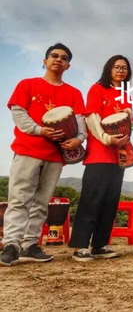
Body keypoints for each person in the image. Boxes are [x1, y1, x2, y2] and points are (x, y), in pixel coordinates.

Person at [1, 43, 86, 266]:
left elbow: (80, 121)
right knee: (19, 199)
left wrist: (79, 138)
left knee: (41, 202)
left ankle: (30, 244)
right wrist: (39, 130)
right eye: (54, 56)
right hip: (28, 149)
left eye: (63, 58)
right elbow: (19, 114)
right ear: (45, 61)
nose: (58, 59)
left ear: (68, 65)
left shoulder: (73, 93)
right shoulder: (27, 84)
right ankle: (11, 244)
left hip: (55, 155)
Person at [69, 55, 133, 262]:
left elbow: (126, 122)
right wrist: (106, 138)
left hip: (119, 156)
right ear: (108, 69)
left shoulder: (125, 94)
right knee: (92, 200)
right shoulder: (97, 89)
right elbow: (91, 118)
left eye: (124, 68)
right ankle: (80, 246)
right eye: (117, 67)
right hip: (99, 154)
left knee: (110, 201)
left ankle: (100, 245)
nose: (121, 71)